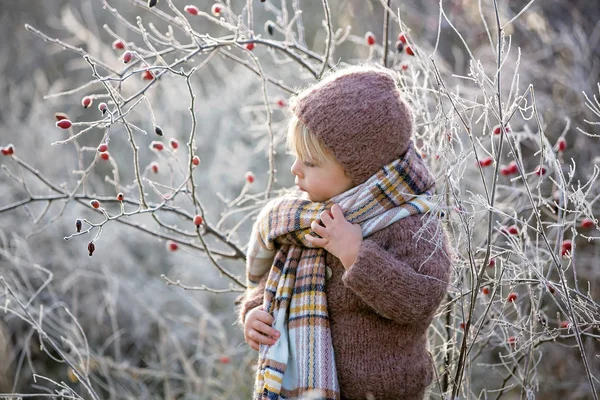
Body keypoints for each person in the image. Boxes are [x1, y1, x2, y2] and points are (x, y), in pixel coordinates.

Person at [235, 64, 453, 400]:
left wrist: (356, 255)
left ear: (359, 170)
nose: (295, 169)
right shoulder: (303, 218)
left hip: (379, 393)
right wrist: (254, 314)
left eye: (310, 162)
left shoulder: (407, 222)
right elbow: (274, 284)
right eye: (297, 157)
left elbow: (420, 300)